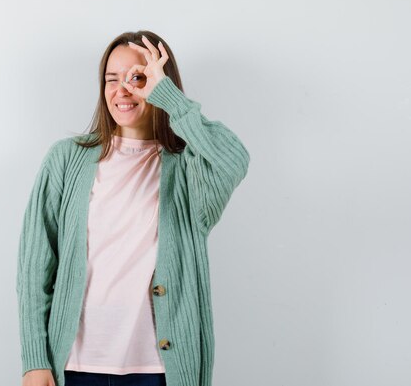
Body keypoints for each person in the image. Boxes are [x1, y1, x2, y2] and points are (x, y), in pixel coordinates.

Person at [16, 31, 250, 386]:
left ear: (159, 83)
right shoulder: (66, 159)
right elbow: (35, 267)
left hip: (160, 371)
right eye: (111, 79)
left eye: (137, 78)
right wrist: (35, 359)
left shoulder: (189, 169)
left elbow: (233, 160)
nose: (122, 90)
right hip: (75, 367)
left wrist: (171, 100)